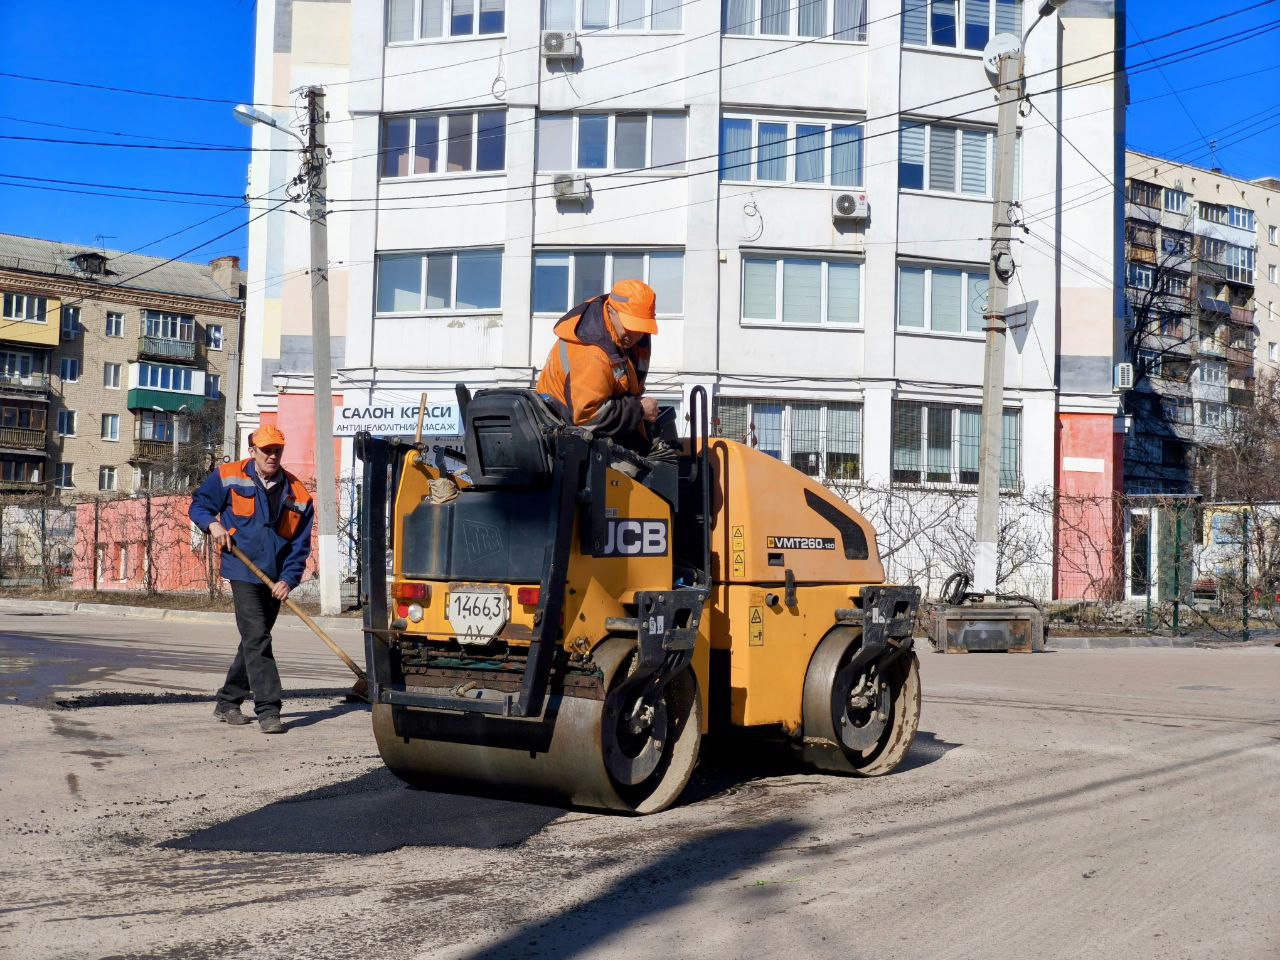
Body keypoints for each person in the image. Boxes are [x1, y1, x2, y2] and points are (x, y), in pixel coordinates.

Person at [189, 425, 314, 734]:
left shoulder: (298, 493)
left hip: (274, 578)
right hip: (242, 570)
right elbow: (199, 505)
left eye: (277, 451)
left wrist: (289, 579)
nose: (272, 455)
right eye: (266, 450)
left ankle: (227, 702)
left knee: (252, 642)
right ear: (253, 451)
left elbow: (300, 545)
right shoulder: (228, 475)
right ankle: (269, 709)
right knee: (258, 637)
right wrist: (212, 526)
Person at [536, 278, 661, 452]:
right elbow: (587, 416)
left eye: (641, 329)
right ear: (610, 310)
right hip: (569, 438)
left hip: (594, 432)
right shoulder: (592, 352)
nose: (635, 335)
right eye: (630, 326)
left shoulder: (620, 335)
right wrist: (639, 410)